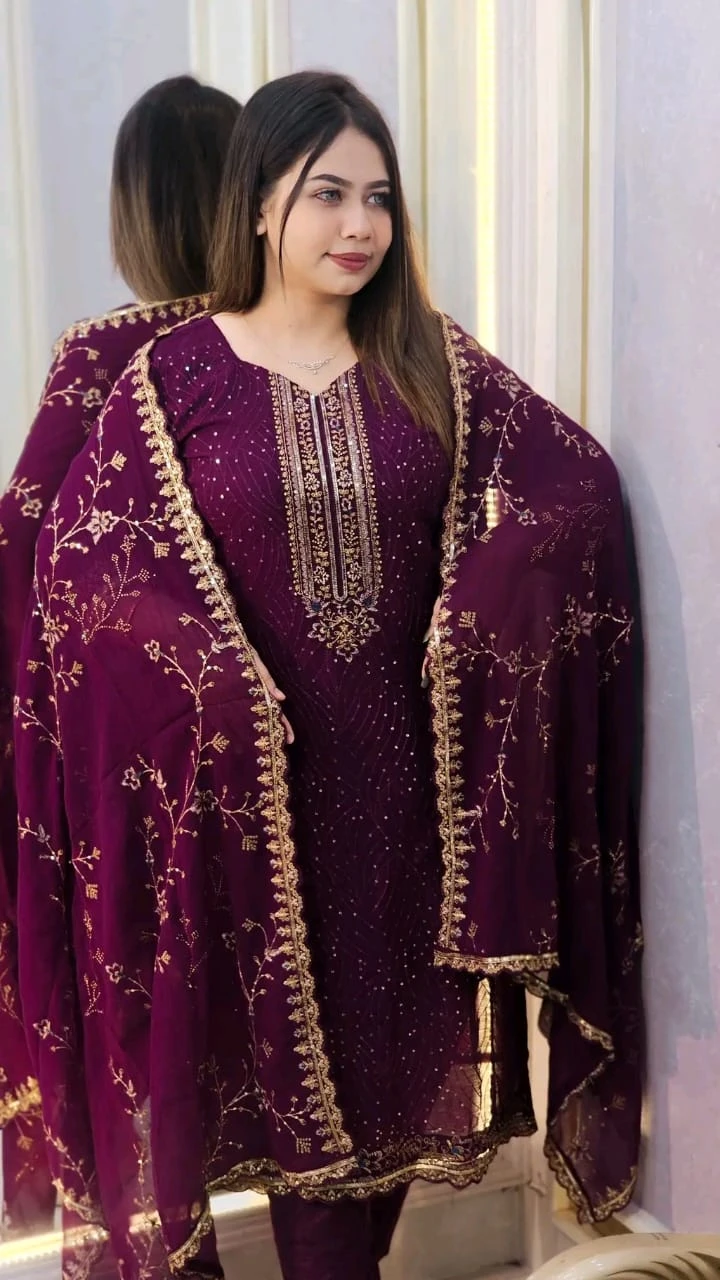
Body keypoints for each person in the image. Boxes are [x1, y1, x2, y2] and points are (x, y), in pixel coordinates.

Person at [12, 71, 643, 1279]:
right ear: (259, 204)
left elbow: (575, 482)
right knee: (279, 1108)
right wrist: (205, 670)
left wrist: (476, 608)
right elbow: (86, 571)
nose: (360, 225)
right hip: (259, 815)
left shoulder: (432, 359)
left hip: (408, 810)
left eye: (380, 198)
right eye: (328, 194)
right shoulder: (170, 378)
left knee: (391, 1100)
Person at [0, 73, 241, 1239]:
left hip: (133, 766)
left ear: (133, 213)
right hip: (290, 743)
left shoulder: (107, 358)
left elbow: (20, 549)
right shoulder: (296, 348)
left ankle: (162, 1245)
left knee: (147, 1021)